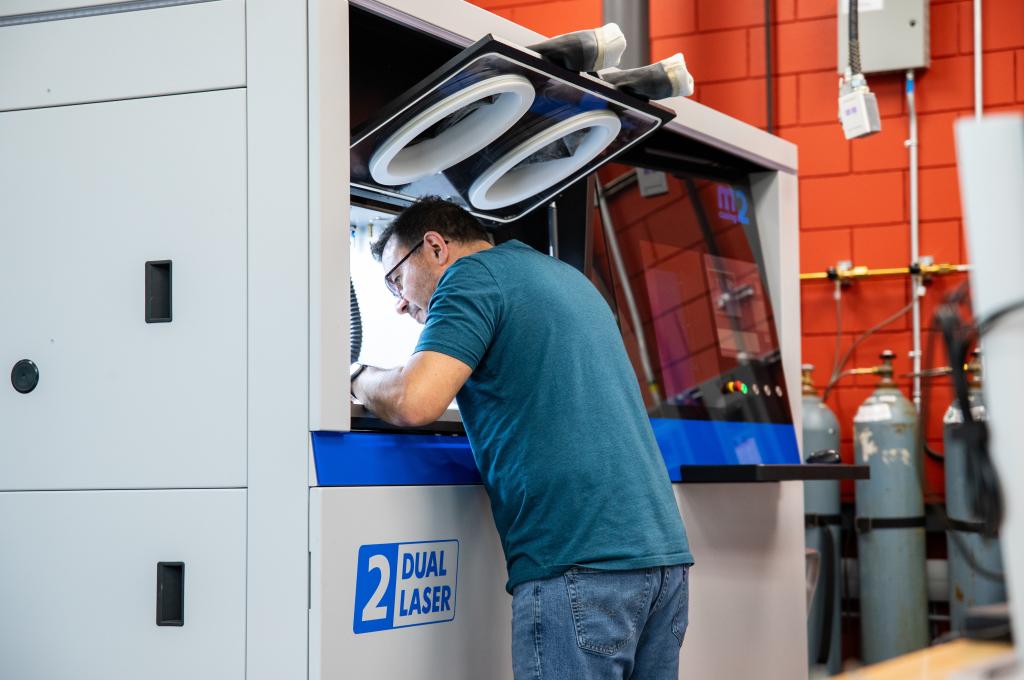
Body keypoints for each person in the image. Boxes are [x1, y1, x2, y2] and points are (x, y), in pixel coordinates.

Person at [351, 196, 694, 679]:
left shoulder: (468, 279)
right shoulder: (563, 277)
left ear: (434, 247)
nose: (401, 301)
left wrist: (356, 377)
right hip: (662, 562)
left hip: (579, 563)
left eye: (396, 279)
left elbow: (415, 401)